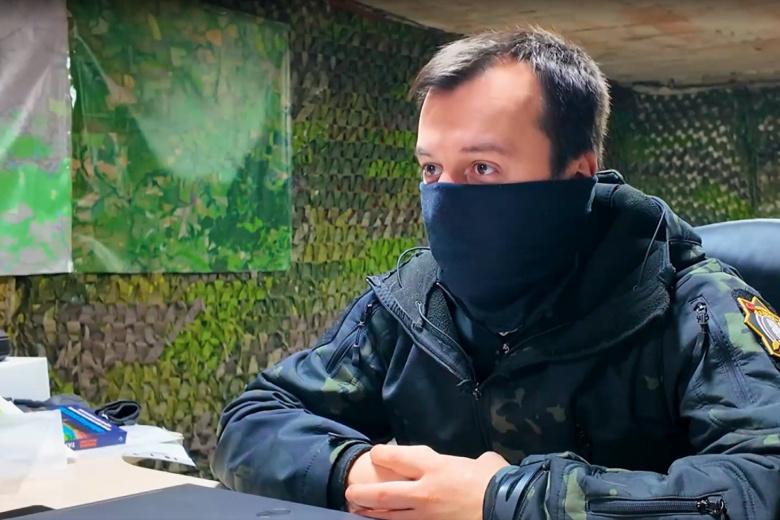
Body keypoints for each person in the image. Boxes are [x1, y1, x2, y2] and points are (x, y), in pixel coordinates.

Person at [211, 27, 780, 520]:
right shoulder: (412, 302)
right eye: (432, 169)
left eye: (482, 167)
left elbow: (763, 479)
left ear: (576, 177)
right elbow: (253, 420)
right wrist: (355, 471)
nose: (446, 198)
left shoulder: (691, 304)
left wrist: (505, 500)